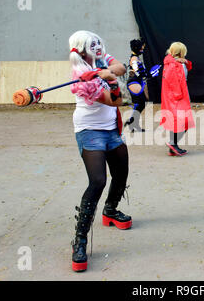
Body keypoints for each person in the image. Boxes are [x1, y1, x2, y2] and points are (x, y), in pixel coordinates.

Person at [69, 30, 132, 272]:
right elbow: (116, 100)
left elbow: (122, 67)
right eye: (91, 44)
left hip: (112, 129)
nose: (96, 46)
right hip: (89, 130)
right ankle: (80, 239)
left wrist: (107, 71)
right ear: (81, 49)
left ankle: (111, 210)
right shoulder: (79, 78)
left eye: (98, 41)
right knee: (97, 181)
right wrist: (108, 79)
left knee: (121, 173)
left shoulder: (102, 58)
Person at [160, 42, 195, 156]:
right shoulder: (175, 65)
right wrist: (178, 95)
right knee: (184, 121)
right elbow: (174, 81)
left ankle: (173, 146)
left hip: (172, 96)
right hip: (177, 97)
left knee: (175, 121)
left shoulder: (170, 62)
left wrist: (185, 61)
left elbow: (187, 67)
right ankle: (172, 143)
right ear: (181, 52)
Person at [124, 39, 148, 132]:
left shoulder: (136, 58)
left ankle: (133, 123)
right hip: (133, 82)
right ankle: (132, 123)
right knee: (140, 102)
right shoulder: (134, 59)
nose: (142, 49)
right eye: (141, 48)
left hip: (137, 81)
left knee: (142, 103)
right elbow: (137, 72)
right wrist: (147, 75)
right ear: (137, 48)